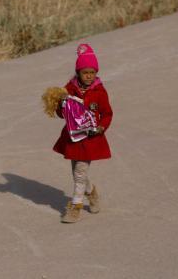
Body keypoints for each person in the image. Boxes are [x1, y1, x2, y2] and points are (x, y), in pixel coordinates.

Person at [53, 43, 113, 223]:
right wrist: (60, 104)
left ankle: (75, 206)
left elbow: (107, 113)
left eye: (92, 72)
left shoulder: (99, 92)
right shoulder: (69, 89)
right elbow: (60, 112)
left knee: (79, 171)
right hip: (73, 137)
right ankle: (91, 192)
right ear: (78, 72)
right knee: (77, 172)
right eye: (85, 72)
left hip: (90, 138)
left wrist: (102, 126)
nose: (89, 76)